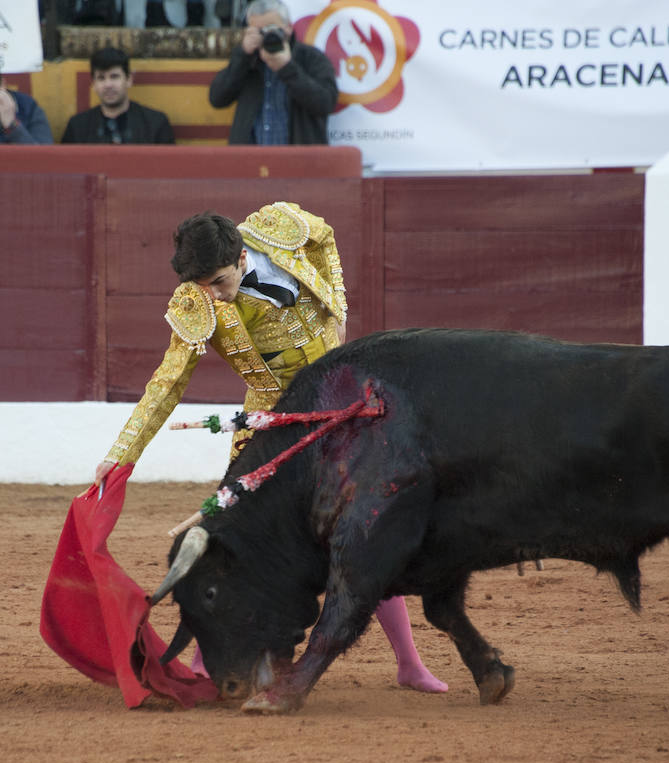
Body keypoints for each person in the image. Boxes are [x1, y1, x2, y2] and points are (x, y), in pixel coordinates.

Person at [94, 203, 447, 693]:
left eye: (218, 281)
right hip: (273, 422)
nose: (213, 296)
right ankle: (201, 662)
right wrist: (123, 452)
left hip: (340, 412)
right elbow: (167, 384)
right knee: (243, 543)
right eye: (202, 287)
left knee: (366, 530)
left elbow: (324, 237)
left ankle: (409, 664)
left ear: (241, 257)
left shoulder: (280, 229)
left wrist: (338, 306)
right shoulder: (198, 303)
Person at [208, 0, 337, 145]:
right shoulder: (248, 60)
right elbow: (217, 98)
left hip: (297, 160)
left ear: (288, 27)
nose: (266, 35)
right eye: (259, 31)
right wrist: (243, 55)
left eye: (271, 28)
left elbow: (325, 103)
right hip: (251, 161)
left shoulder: (311, 57)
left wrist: (287, 68)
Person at [60, 47, 175, 145]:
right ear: (93, 84)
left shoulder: (156, 124)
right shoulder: (77, 127)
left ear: (129, 80)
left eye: (114, 76)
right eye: (101, 78)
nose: (108, 85)